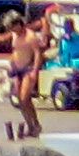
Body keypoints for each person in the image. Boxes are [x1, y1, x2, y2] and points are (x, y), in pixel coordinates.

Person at [6, 8, 49, 141]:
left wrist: (35, 72)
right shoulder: (15, 36)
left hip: (28, 69)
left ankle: (35, 125)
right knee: (20, 100)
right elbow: (15, 51)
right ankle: (31, 126)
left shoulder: (30, 36)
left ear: (19, 24)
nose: (12, 31)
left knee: (25, 98)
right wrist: (11, 63)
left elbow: (37, 54)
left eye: (13, 27)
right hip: (17, 69)